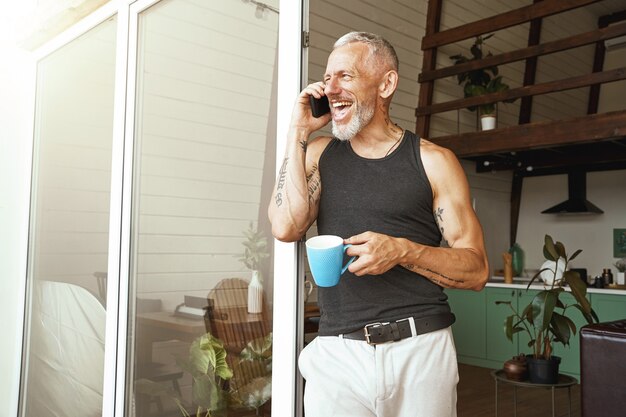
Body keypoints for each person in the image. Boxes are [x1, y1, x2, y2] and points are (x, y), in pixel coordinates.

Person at [268, 31, 489, 417]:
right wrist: (299, 131)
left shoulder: (433, 161)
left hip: (421, 350)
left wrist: (403, 251)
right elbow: (286, 226)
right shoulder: (319, 155)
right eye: (327, 77)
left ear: (386, 83)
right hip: (337, 353)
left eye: (345, 76)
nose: (329, 88)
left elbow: (476, 270)